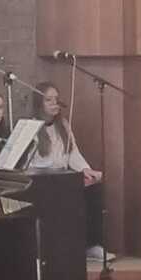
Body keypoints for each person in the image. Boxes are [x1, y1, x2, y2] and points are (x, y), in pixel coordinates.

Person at [28, 82, 108, 261]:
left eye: (56, 99)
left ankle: (92, 245)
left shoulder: (63, 125)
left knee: (94, 189)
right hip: (43, 181)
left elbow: (73, 153)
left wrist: (86, 169)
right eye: (49, 100)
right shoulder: (31, 127)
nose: (54, 103)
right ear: (39, 103)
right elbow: (32, 163)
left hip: (63, 178)